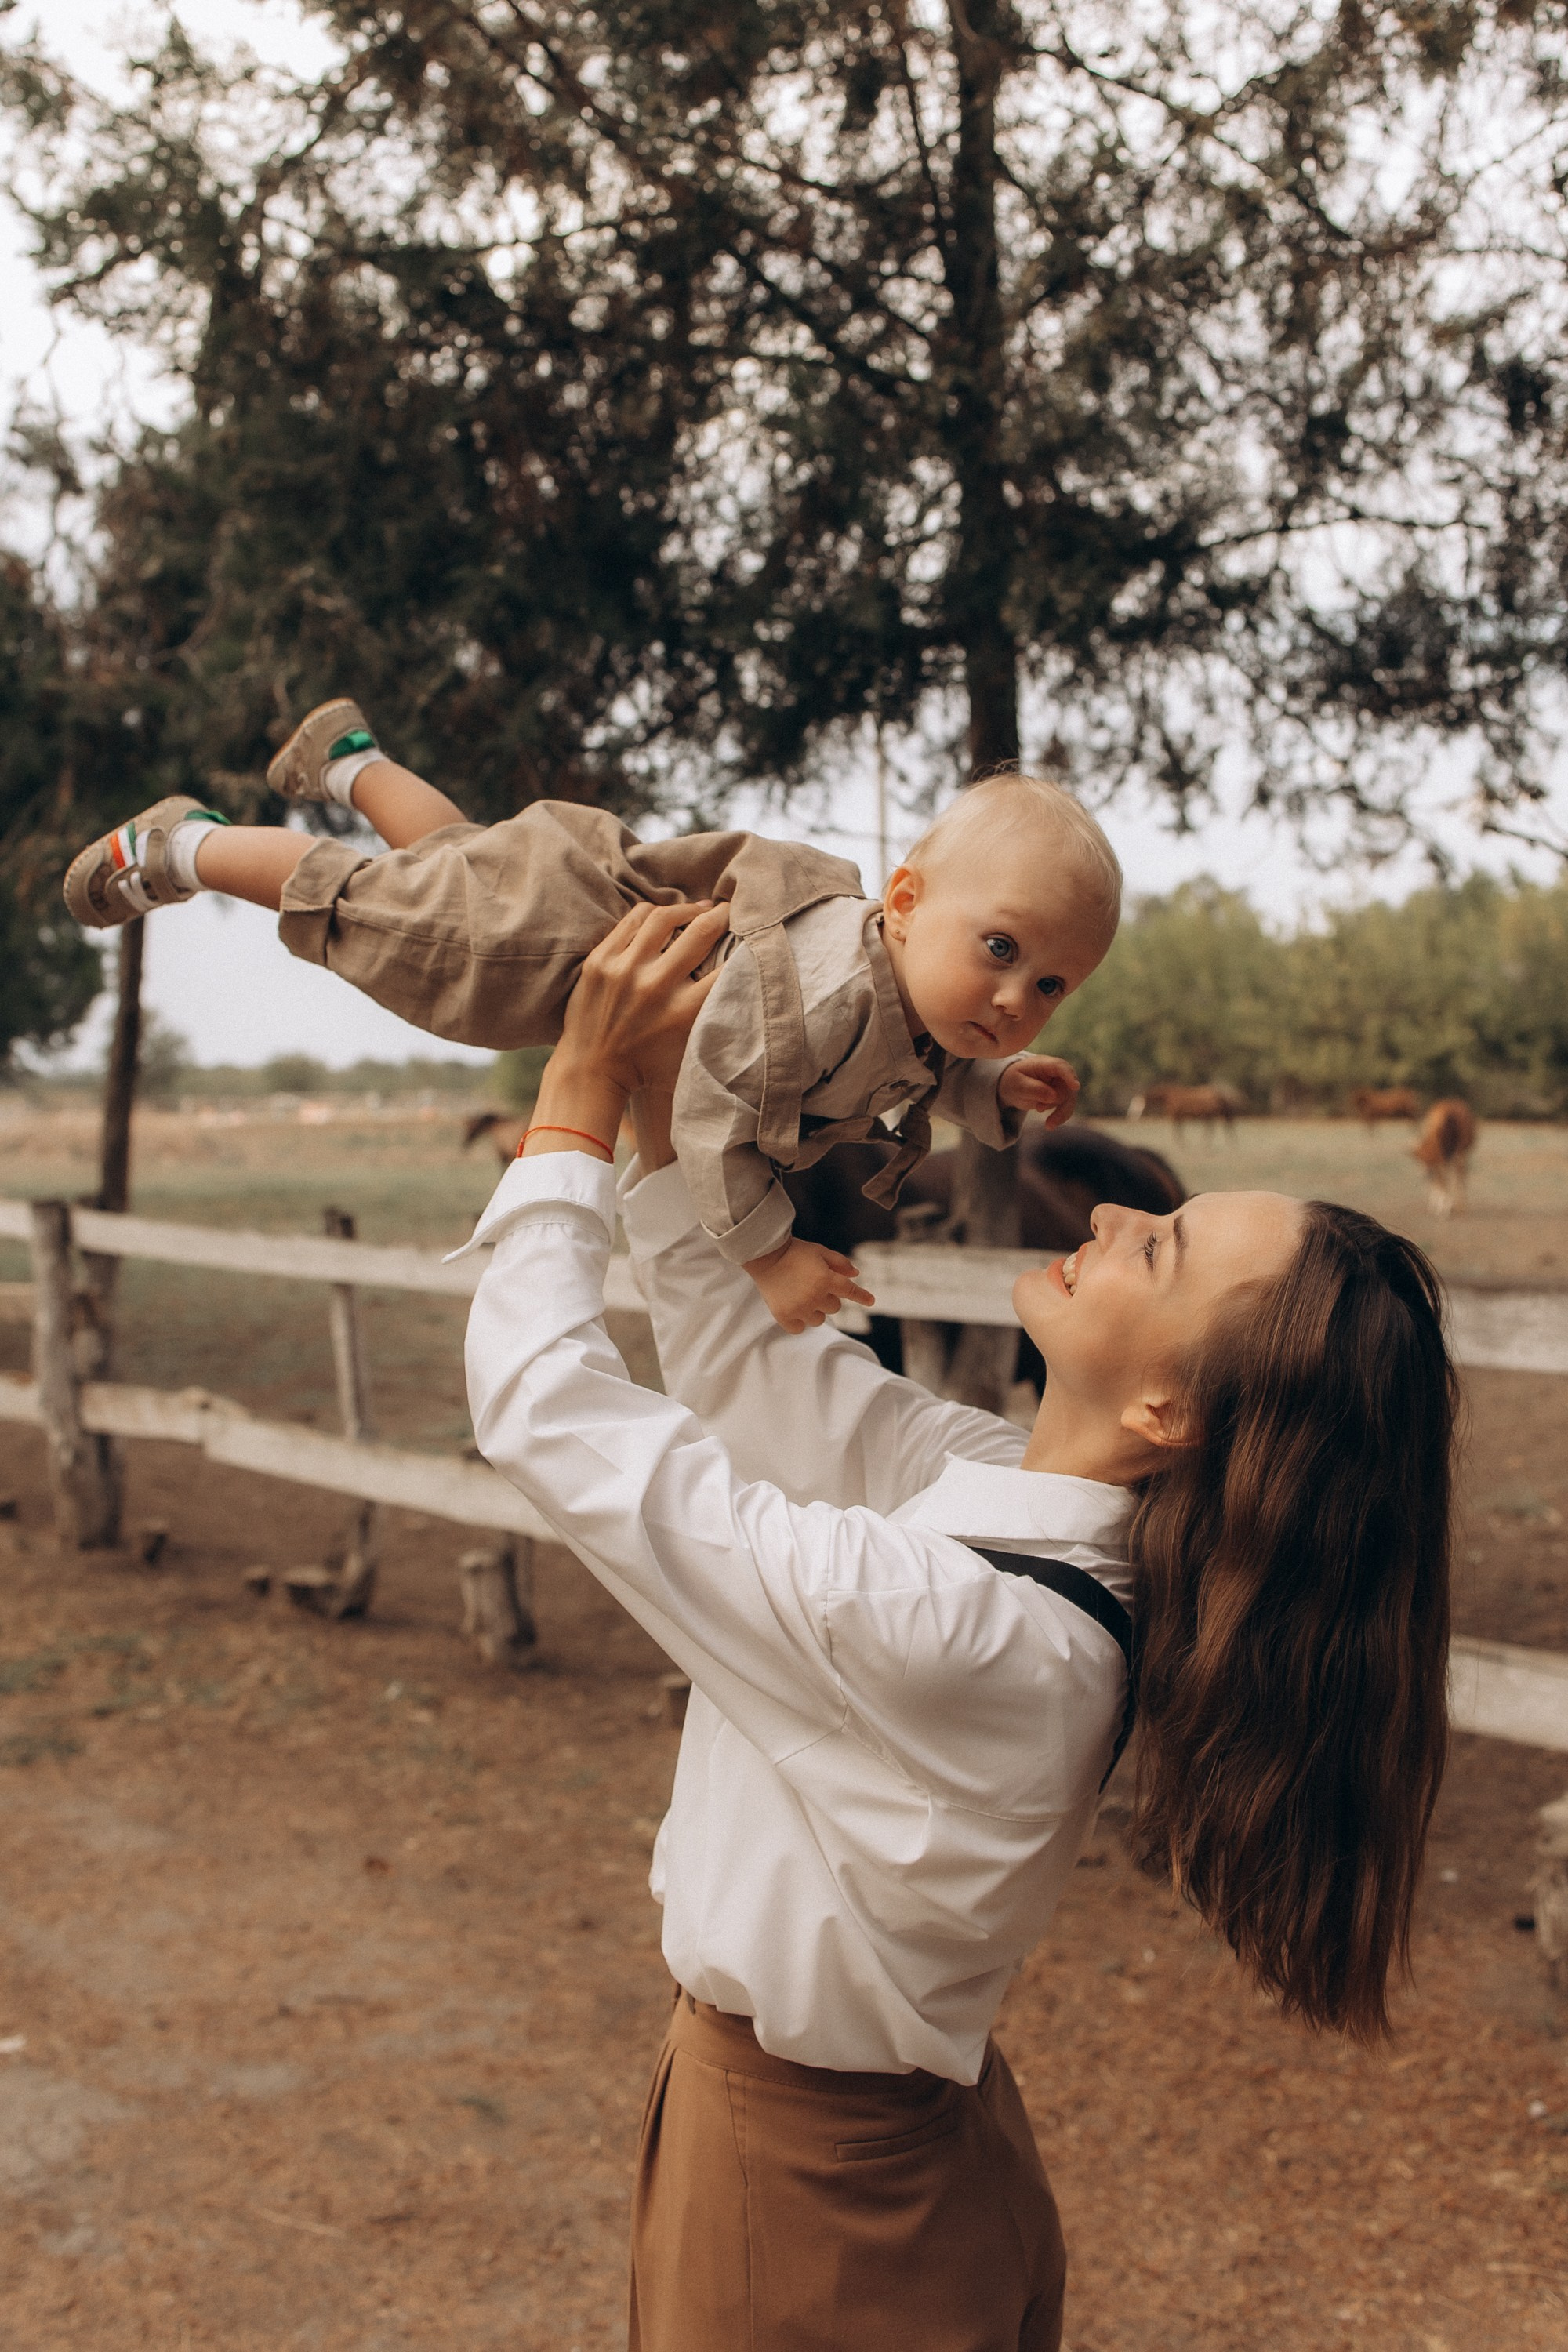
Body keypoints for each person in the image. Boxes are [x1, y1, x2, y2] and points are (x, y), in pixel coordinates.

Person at [458, 900, 1457, 2352]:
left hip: (810, 2209)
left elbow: (552, 1416)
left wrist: (571, 1103)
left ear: (1171, 1412)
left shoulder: (976, 1631)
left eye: (1158, 1250)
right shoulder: (1014, 1503)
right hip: (876, 2153)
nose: (1108, 1213)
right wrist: (675, 1125)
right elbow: (765, 1383)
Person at [62, 705, 1119, 1328]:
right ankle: (182, 848)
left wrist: (987, 1084)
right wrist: (764, 1254)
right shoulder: (827, 990)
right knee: (380, 914)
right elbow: (707, 1104)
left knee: (449, 864)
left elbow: (906, 1065)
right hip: (560, 944)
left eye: (1051, 986)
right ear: (904, 903)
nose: (1014, 1000)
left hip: (576, 908)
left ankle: (350, 760)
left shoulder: (905, 1001)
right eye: (1002, 952)